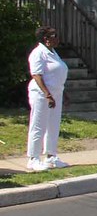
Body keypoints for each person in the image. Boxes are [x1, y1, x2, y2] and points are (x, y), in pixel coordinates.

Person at [26, 26, 69, 172]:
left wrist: (62, 92)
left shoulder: (53, 52)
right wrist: (48, 95)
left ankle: (51, 157)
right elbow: (36, 75)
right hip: (41, 94)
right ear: (46, 39)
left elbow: (57, 73)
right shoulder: (38, 53)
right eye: (54, 35)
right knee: (38, 125)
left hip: (56, 93)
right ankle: (33, 159)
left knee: (53, 125)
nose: (57, 38)